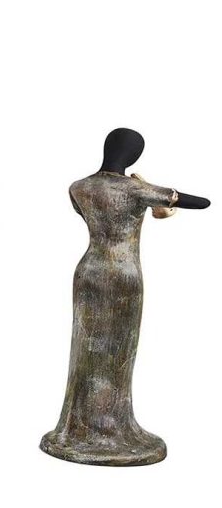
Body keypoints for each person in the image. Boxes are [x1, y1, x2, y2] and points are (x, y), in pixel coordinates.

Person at [40, 128, 210, 465]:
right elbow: (201, 202)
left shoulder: (79, 187)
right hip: (123, 274)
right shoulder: (136, 189)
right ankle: (110, 426)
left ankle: (78, 427)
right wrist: (151, 190)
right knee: (118, 349)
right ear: (133, 155)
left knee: (86, 348)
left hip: (88, 270)